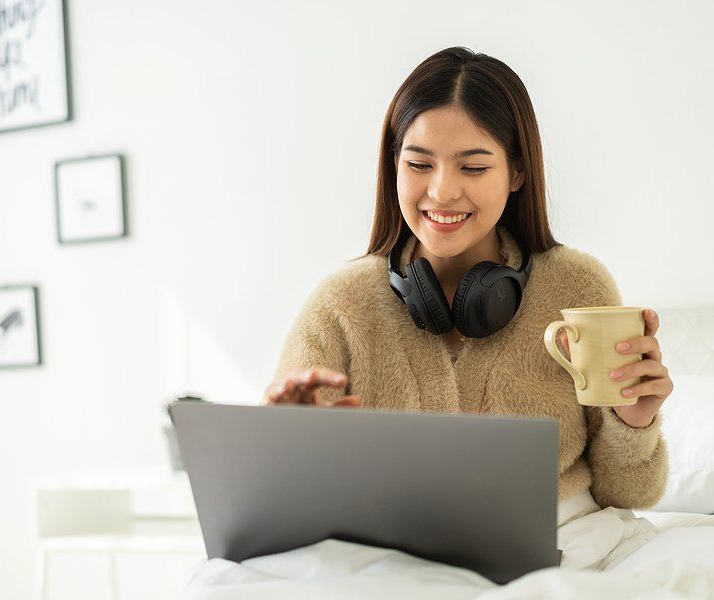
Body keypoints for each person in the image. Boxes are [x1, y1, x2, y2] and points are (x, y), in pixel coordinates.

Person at [262, 46, 674, 510]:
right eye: (419, 164)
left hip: (562, 548)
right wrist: (282, 443)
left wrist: (634, 424)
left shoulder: (578, 288)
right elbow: (280, 500)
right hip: (395, 556)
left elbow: (629, 495)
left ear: (517, 171)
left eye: (474, 167)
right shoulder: (342, 302)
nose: (442, 191)